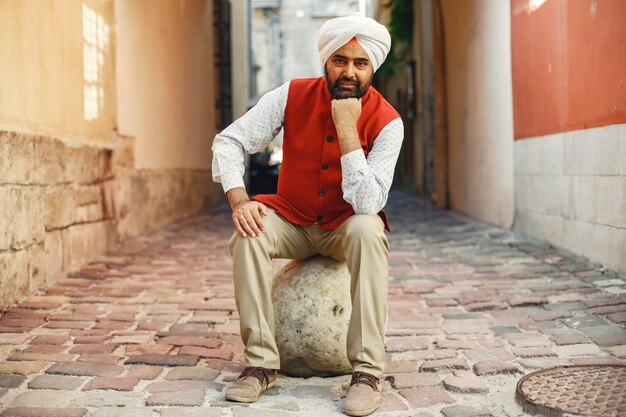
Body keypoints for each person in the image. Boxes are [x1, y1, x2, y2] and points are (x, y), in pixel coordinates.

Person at [211, 15, 403, 417]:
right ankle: (261, 364)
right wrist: (239, 198)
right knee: (249, 234)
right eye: (339, 60)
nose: (348, 71)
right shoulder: (290, 95)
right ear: (326, 60)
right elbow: (229, 140)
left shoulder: (389, 123)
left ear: (373, 67)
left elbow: (368, 202)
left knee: (370, 229)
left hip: (344, 227)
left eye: (360, 63)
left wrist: (348, 130)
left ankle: (367, 373)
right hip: (294, 221)